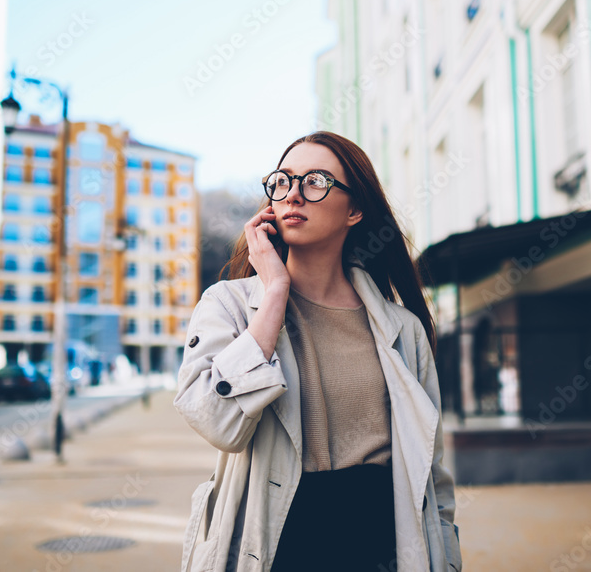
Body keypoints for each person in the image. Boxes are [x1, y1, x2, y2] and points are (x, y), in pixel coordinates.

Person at [174, 132, 461, 572]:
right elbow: (218, 423)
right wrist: (274, 294)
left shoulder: (402, 331)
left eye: (315, 181)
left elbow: (432, 479)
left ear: (355, 209)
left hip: (379, 545)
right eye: (283, 181)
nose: (294, 195)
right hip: (275, 542)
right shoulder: (228, 305)